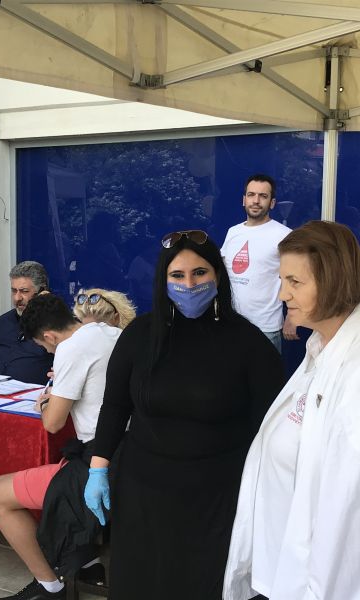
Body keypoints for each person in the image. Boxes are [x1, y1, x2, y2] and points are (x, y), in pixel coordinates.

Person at [223, 221, 360, 600]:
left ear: (334, 279)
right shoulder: (325, 342)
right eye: (282, 280)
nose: (282, 294)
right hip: (287, 571)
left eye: (295, 282)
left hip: (321, 586)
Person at [84, 230, 284, 600]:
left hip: (217, 498)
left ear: (217, 276)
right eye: (177, 275)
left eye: (199, 273)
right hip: (143, 493)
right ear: (163, 280)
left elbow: (272, 426)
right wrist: (98, 468)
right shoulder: (139, 336)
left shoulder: (248, 343)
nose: (189, 285)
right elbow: (115, 406)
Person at [0, 293, 120, 600]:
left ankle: (49, 586)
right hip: (132, 452)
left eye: (46, 348)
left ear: (49, 336)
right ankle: (87, 563)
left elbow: (53, 424)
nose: (49, 352)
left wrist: (47, 402)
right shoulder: (110, 333)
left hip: (103, 463)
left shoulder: (70, 348)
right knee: (63, 468)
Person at [221, 174, 295, 351]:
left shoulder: (285, 235)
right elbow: (221, 272)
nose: (256, 201)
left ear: (272, 203)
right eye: (251, 195)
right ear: (244, 200)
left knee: (266, 371)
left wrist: (292, 317)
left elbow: (296, 279)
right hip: (231, 325)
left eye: (263, 196)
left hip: (265, 328)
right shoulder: (233, 232)